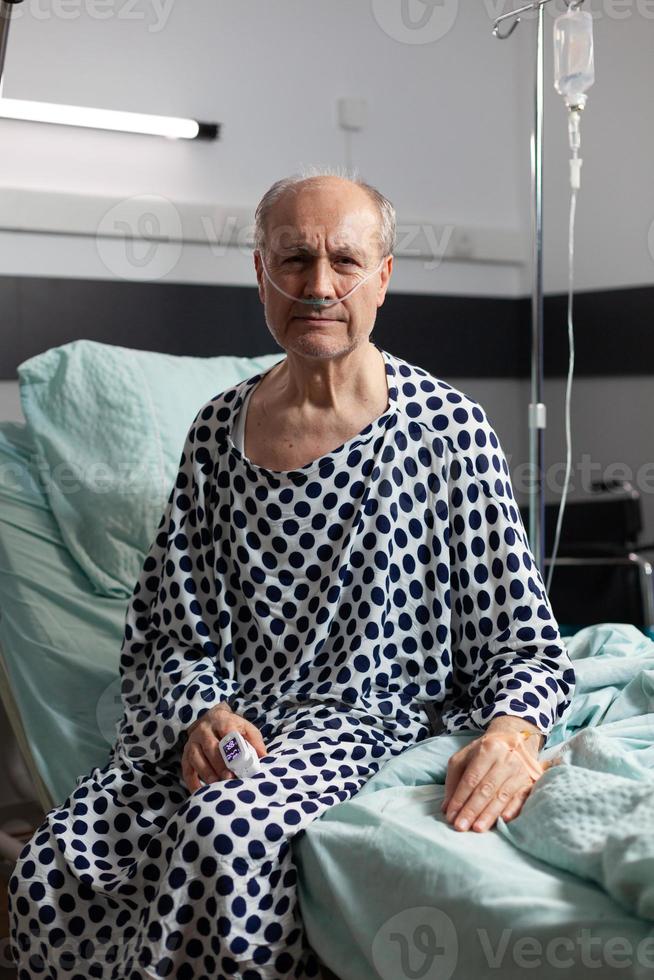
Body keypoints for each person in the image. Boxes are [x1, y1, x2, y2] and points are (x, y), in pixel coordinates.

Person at [8, 171, 575, 980]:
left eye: (345, 261)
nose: (318, 286)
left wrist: (512, 733)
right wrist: (198, 714)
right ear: (259, 272)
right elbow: (169, 630)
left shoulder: (447, 430)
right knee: (54, 864)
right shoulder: (216, 432)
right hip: (231, 732)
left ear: (383, 276)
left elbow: (526, 645)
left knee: (227, 837)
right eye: (293, 260)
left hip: (367, 725)